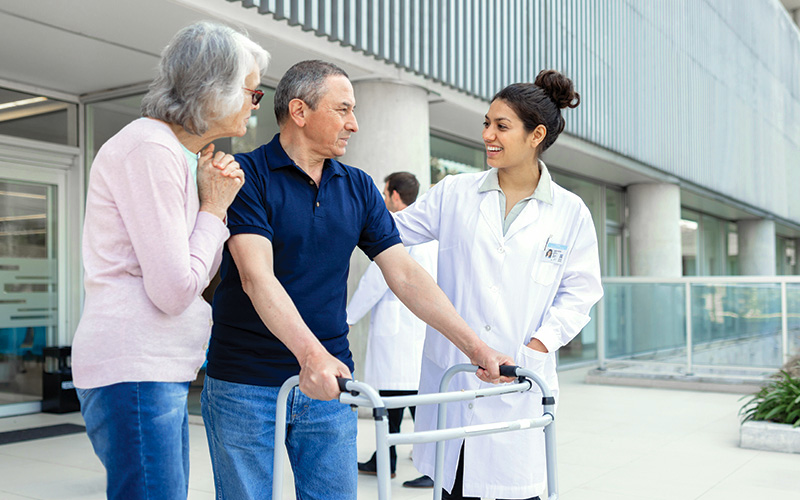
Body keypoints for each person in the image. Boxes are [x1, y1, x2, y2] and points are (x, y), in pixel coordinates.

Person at [202, 60, 513, 500]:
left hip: (331, 386)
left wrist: (477, 349)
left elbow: (405, 274)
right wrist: (311, 356)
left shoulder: (359, 187)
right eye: (343, 109)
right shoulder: (245, 176)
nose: (354, 123)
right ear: (299, 111)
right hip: (246, 383)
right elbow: (257, 278)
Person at [71, 22, 270, 500]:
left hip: (150, 367)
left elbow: (191, 273)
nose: (255, 104)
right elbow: (175, 289)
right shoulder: (151, 148)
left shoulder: (172, 153)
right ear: (217, 90)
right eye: (253, 92)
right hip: (136, 366)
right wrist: (214, 208)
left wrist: (210, 203)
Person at [393, 69, 604, 500]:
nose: (487, 134)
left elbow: (580, 293)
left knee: (516, 487)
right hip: (457, 378)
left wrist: (536, 349)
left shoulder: (570, 212)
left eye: (501, 126)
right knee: (455, 485)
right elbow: (388, 231)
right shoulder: (454, 193)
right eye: (486, 123)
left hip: (519, 381)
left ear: (536, 135)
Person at [347, 172, 436, 485]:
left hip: (398, 332)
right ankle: (387, 458)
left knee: (398, 399)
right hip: (414, 328)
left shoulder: (397, 228)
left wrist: (347, 317)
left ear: (395, 195)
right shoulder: (427, 231)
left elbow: (376, 280)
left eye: (385, 194)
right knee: (404, 398)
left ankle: (428, 467)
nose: (384, 199)